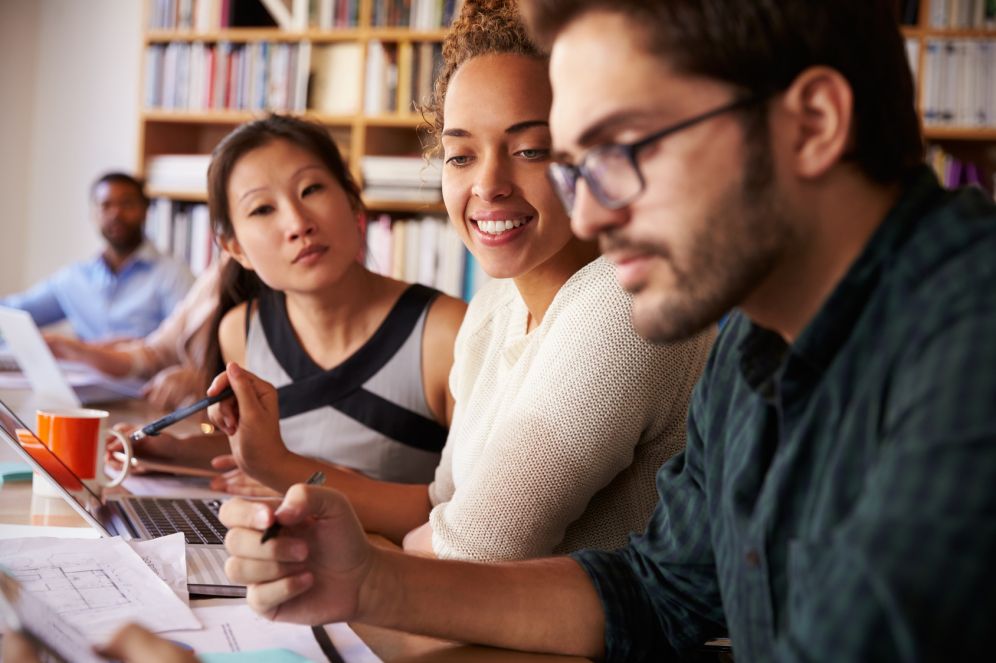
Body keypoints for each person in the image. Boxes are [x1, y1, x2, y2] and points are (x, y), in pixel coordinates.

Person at [210, 0, 996, 661]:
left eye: (620, 149)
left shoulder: (971, 340)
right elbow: (659, 592)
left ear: (813, 123)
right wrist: (370, 583)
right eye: (577, 162)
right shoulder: (754, 344)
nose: (585, 212)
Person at [207, 0, 714, 561]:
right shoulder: (495, 307)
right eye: (460, 156)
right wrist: (275, 466)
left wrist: (386, 545)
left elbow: (473, 548)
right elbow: (438, 505)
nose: (489, 184)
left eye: (530, 150)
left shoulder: (621, 304)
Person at [110, 115, 467, 485]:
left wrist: (293, 480)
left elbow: (471, 514)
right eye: (262, 209)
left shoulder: (446, 334)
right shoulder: (242, 331)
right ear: (235, 249)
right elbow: (270, 452)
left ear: (352, 198)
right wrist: (173, 452)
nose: (298, 223)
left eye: (311, 189)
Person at [0, 172, 193, 341]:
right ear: (94, 214)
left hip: (142, 380)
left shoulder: (173, 275)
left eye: (127, 204)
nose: (116, 213)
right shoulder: (74, 278)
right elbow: (14, 311)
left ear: (145, 211)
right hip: (79, 380)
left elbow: (186, 342)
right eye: (106, 205)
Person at [42, 255, 226, 410]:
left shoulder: (171, 273)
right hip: (184, 419)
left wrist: (205, 380)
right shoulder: (217, 276)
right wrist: (82, 352)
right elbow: (155, 353)